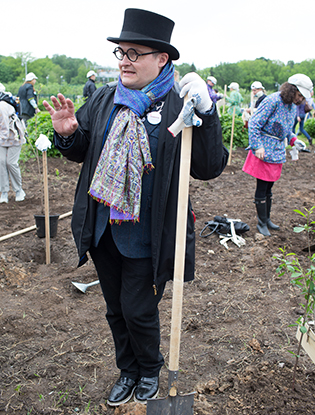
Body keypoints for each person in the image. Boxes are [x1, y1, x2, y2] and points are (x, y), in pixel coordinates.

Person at [43, 8, 228, 407]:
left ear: (162, 59)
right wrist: (68, 135)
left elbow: (209, 167)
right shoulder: (106, 99)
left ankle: (148, 369)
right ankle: (127, 370)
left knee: (138, 310)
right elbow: (83, 153)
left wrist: (208, 114)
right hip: (104, 226)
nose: (125, 60)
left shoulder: (182, 104)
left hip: (149, 234)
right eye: (121, 52)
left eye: (135, 52)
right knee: (114, 310)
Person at [242, 73, 312, 236]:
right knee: (262, 186)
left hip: (277, 150)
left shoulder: (292, 106)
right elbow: (254, 123)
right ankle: (261, 223)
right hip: (263, 150)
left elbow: (287, 128)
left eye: (302, 96)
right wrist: (257, 146)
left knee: (270, 187)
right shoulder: (272, 100)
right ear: (291, 90)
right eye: (299, 95)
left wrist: (294, 139)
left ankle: (267, 219)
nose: (300, 99)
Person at [0, 83, 26, 203]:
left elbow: (5, 127)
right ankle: (4, 192)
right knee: (1, 163)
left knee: (11, 163)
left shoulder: (2, 106)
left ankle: (18, 190)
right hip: (2, 139)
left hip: (14, 136)